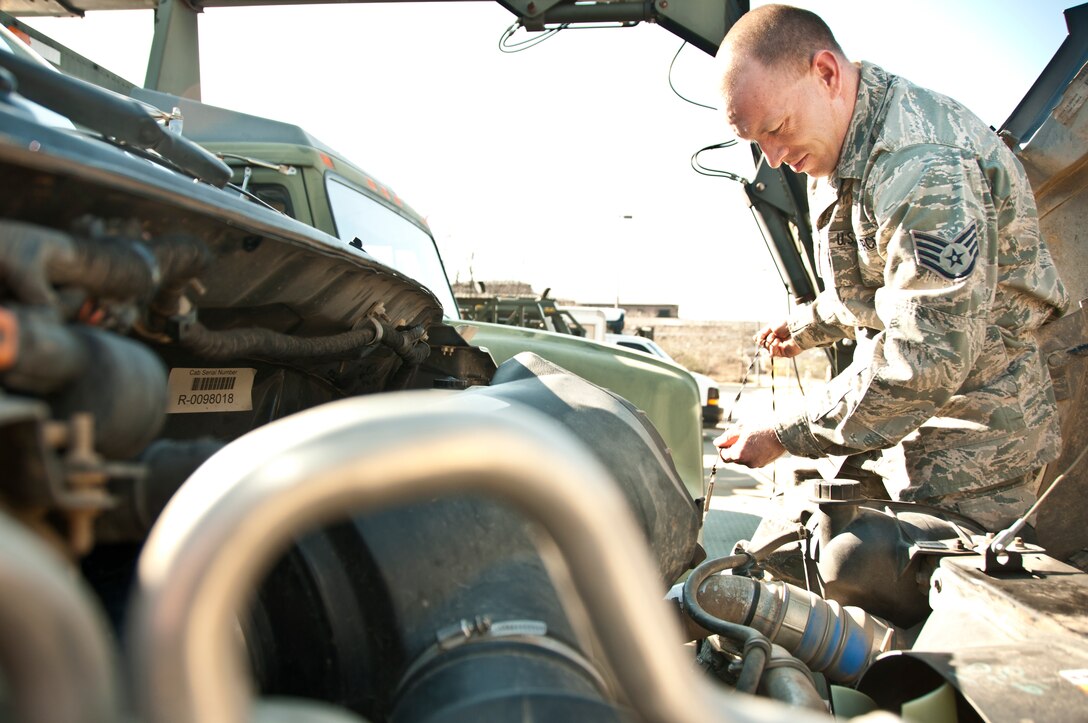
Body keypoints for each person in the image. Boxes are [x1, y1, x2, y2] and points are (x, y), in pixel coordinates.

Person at [712, 4, 1068, 531]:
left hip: (975, 445)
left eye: (777, 128)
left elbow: (927, 353)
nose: (775, 157)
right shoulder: (833, 146)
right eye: (756, 142)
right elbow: (879, 287)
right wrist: (808, 325)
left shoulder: (922, 166)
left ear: (827, 74)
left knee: (922, 593)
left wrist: (785, 434)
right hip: (905, 430)